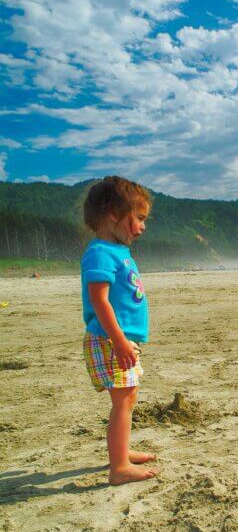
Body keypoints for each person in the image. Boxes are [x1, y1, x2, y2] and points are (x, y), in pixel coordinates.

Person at [81, 176, 159, 485]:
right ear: (114, 212)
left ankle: (121, 453)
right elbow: (99, 301)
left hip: (119, 340)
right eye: (138, 218)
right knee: (123, 401)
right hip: (110, 340)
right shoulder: (100, 253)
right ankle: (118, 467)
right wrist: (119, 340)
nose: (142, 226)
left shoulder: (116, 251)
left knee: (128, 397)